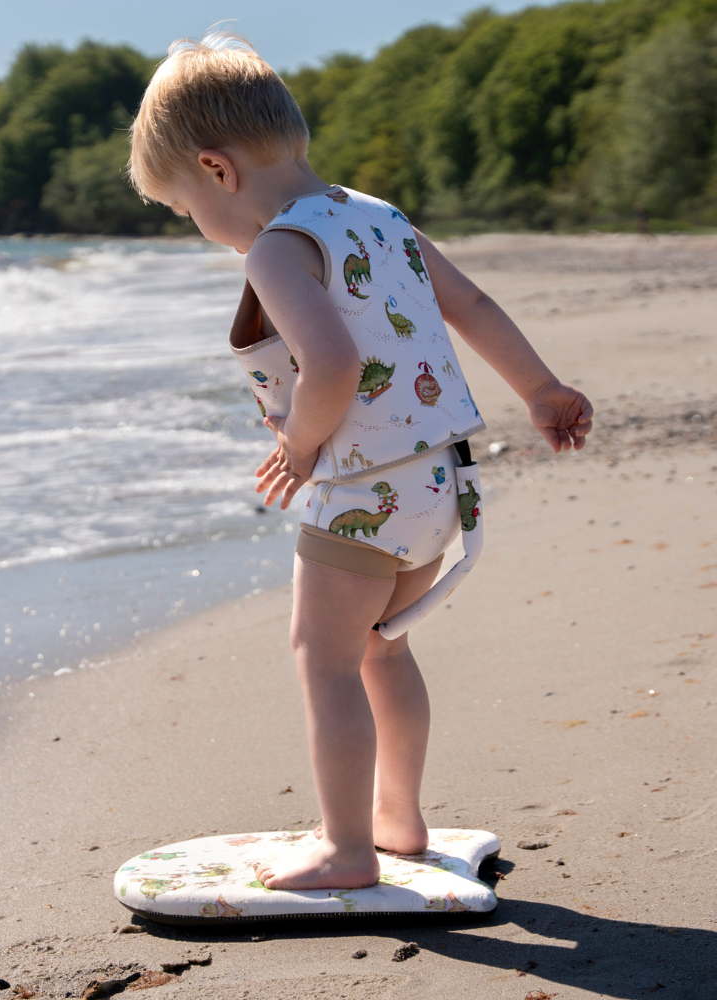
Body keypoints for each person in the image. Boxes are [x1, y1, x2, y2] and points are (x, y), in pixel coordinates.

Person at [127, 33, 593, 891]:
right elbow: (472, 304)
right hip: (441, 484)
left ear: (217, 169)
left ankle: (346, 847)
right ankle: (398, 820)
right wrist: (540, 387)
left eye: (188, 209)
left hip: (361, 489)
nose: (206, 233)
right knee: (383, 650)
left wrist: (300, 446)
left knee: (326, 656)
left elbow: (334, 366)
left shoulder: (277, 246)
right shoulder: (379, 217)